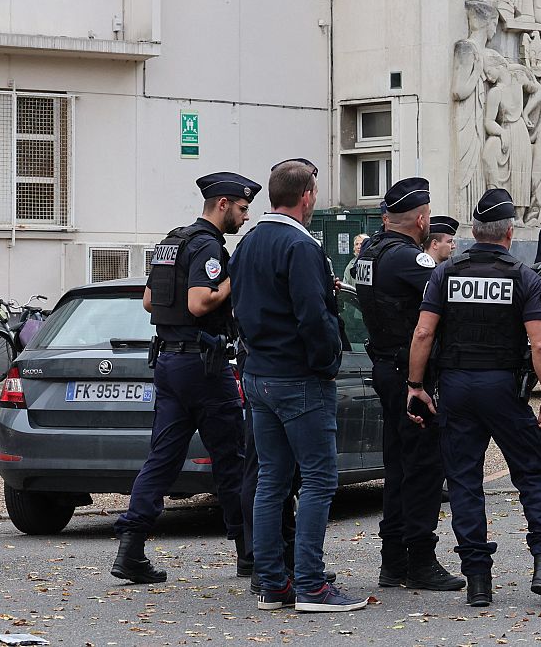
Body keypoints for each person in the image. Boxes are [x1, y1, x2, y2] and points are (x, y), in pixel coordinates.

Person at [405, 188, 541, 608]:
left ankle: (478, 579)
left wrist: (415, 385)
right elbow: (540, 346)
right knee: (533, 472)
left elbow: (424, 332)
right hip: (503, 389)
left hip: (457, 389)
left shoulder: (444, 274)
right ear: (509, 233)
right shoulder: (524, 276)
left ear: (475, 231)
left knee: (464, 481)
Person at [231, 159, 368, 613]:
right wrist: (327, 362)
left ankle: (273, 582)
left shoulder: (247, 243)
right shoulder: (301, 245)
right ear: (307, 196)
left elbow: (242, 304)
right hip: (298, 377)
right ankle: (311, 583)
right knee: (318, 480)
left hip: (259, 373)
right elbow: (314, 316)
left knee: (271, 479)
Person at [111, 172, 259, 585]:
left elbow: (147, 300)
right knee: (231, 459)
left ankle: (131, 547)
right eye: (243, 208)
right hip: (203, 367)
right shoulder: (209, 245)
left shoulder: (171, 241)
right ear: (224, 204)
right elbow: (199, 302)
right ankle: (247, 552)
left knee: (161, 458)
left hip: (170, 364)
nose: (246, 218)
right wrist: (235, 278)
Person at [351, 178, 464, 592]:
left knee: (399, 465)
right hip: (408, 372)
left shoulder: (371, 252)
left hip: (385, 365)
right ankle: (419, 559)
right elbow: (449, 301)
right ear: (421, 219)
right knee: (422, 468)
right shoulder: (407, 259)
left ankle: (393, 560)